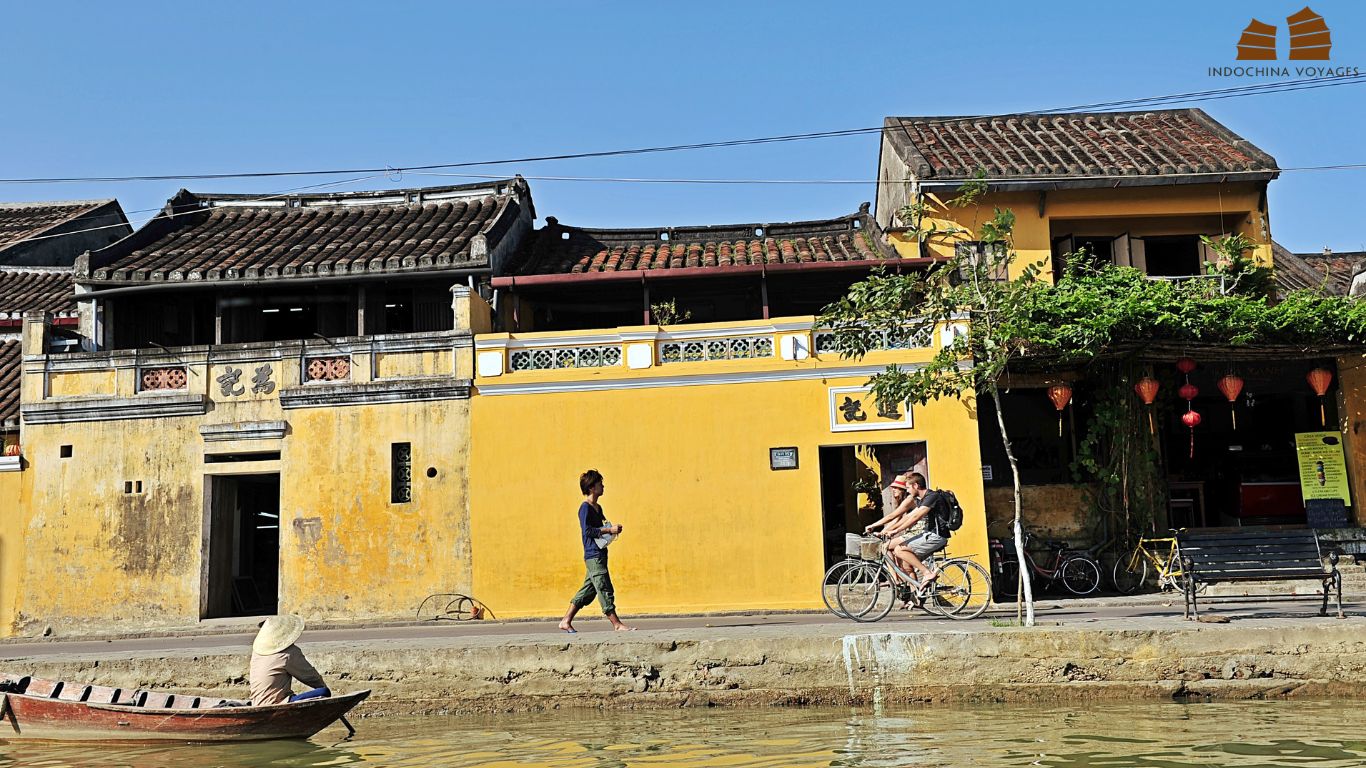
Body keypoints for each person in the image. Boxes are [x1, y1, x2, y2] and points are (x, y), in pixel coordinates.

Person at [558, 469, 634, 633]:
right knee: (604, 587)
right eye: (600, 483)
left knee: (588, 591)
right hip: (593, 555)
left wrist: (612, 529)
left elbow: (601, 527)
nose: (603, 486)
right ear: (592, 487)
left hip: (600, 553)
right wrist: (608, 530)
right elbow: (588, 531)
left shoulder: (597, 507)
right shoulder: (585, 508)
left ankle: (566, 620)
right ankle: (617, 624)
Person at [881, 472, 951, 584]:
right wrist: (888, 530)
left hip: (936, 535)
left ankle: (927, 573)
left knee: (899, 549)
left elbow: (915, 517)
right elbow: (908, 516)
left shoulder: (932, 496)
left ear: (916, 486)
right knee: (906, 564)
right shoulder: (922, 498)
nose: (907, 490)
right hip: (928, 534)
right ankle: (915, 599)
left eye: (908, 487)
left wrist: (895, 531)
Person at [249, 614, 330, 706]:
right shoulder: (288, 653)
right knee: (324, 691)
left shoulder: (257, 653)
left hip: (256, 703)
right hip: (276, 703)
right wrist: (322, 686)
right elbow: (310, 677)